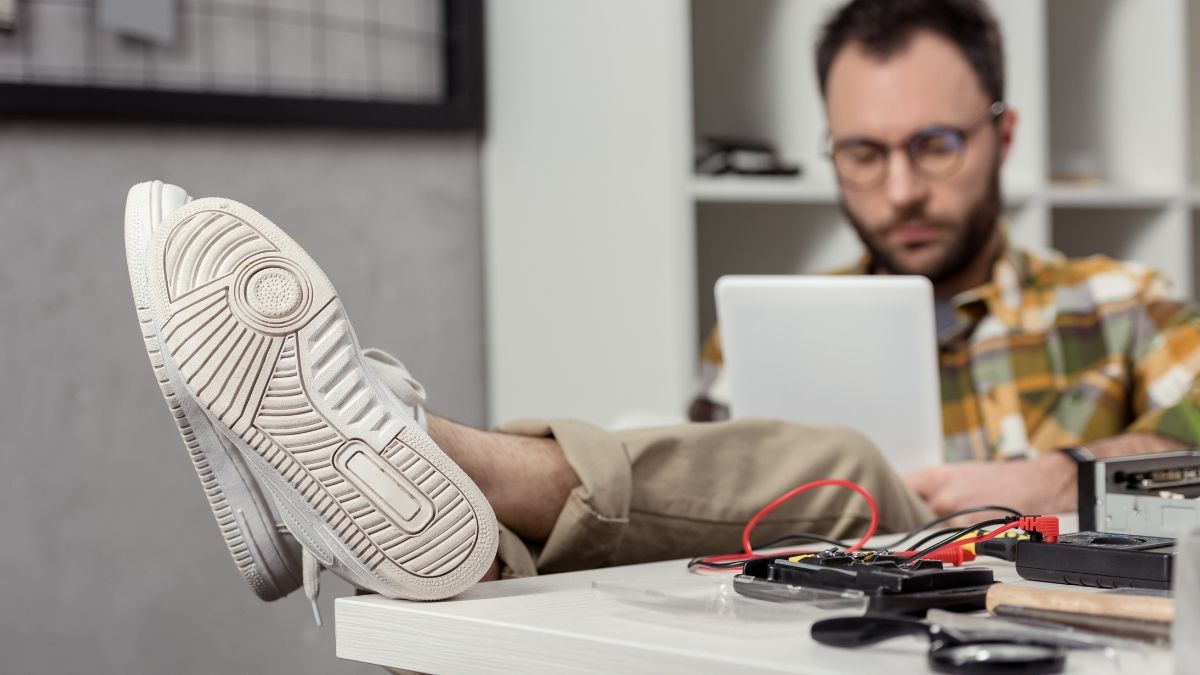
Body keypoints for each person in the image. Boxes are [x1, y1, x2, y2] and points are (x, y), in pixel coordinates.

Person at [123, 0, 1200, 607]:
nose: (901, 189)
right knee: (793, 487)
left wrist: (1069, 474)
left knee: (849, 472)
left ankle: (420, 457)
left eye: (935, 146)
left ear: (1003, 138)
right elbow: (703, 528)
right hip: (829, 617)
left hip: (1019, 597)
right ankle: (408, 499)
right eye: (863, 154)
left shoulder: (1125, 305)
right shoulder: (771, 320)